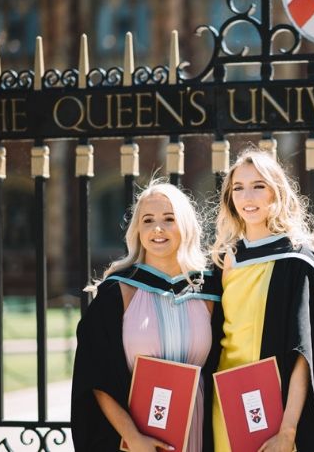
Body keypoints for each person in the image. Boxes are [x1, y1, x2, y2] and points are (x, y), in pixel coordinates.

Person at [210, 148, 314, 452]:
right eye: (238, 188)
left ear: (276, 192)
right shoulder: (224, 260)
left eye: (258, 186)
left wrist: (288, 429)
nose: (247, 197)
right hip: (226, 399)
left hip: (277, 406)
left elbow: (305, 355)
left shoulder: (297, 261)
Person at [71, 180, 221, 452]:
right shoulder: (118, 292)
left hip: (198, 433)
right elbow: (95, 376)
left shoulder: (209, 291)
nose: (157, 228)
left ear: (186, 225)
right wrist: (133, 438)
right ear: (138, 230)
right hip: (134, 438)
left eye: (169, 219)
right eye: (148, 220)